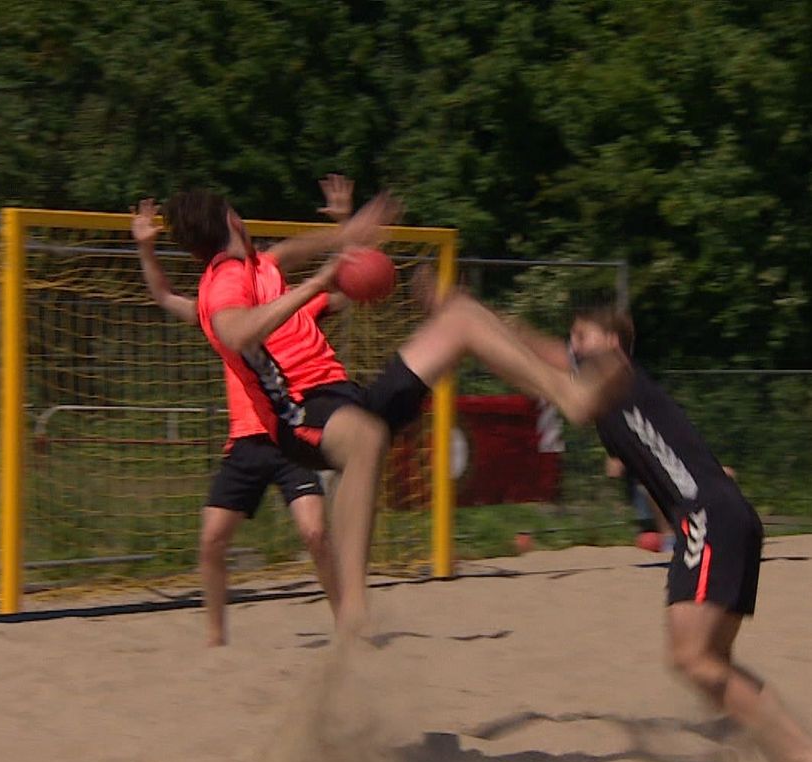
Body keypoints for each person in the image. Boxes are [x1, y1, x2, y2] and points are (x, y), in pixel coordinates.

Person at [160, 188, 630, 637]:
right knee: (364, 440)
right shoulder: (222, 283)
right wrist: (320, 283)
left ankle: (570, 395)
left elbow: (308, 245)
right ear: (233, 221)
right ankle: (353, 612)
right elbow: (239, 332)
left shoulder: (263, 265)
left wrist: (350, 229)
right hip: (295, 417)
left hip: (342, 399)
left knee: (461, 319)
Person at [507, 305, 812, 762]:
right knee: (710, 663)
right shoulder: (617, 387)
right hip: (722, 515)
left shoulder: (616, 371)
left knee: (692, 659)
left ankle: (801, 754)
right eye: (572, 337)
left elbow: (554, 361)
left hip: (708, 516)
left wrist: (484, 323)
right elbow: (558, 360)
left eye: (584, 336)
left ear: (617, 342)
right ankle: (787, 746)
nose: (574, 346)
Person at [131, 176, 358, 646]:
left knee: (316, 534)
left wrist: (346, 234)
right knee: (212, 540)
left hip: (290, 430)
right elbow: (164, 298)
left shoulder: (283, 292)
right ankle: (216, 641)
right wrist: (147, 250)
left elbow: (346, 288)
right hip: (248, 438)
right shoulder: (222, 302)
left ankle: (348, 628)